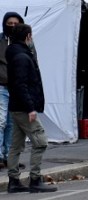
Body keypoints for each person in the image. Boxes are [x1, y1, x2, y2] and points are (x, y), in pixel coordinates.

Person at [6, 24, 56, 193]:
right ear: (28, 36)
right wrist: (30, 108)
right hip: (23, 108)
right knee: (40, 141)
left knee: (16, 145)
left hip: (16, 106)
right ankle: (35, 179)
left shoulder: (14, 53)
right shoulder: (22, 57)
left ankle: (14, 181)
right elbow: (21, 85)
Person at [0, 12, 24, 169]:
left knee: (12, 124)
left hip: (16, 88)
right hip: (2, 85)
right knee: (1, 121)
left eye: (16, 24)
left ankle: (9, 157)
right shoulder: (0, 40)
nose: (13, 26)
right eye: (10, 23)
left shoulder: (23, 41)